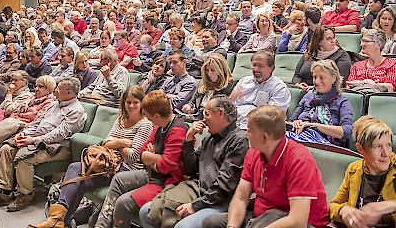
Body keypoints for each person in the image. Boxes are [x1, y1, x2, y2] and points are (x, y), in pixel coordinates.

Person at [30, 86, 153, 228]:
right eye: (128, 102)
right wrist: (121, 142)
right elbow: (106, 142)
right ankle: (60, 219)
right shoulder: (121, 119)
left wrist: (115, 143)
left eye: (135, 102)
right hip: (107, 161)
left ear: (142, 103)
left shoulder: (145, 125)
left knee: (79, 183)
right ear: (124, 103)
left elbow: (132, 156)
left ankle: (60, 220)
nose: (131, 106)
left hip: (127, 169)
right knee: (74, 167)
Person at [201, 105, 330, 228]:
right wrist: (232, 226)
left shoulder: (300, 159)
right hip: (261, 217)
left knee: (273, 214)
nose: (246, 134)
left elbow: (297, 221)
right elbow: (241, 197)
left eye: (250, 131)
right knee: (211, 222)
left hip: (295, 221)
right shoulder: (253, 152)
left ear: (264, 137)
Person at [139, 95, 248, 228]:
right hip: (197, 189)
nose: (204, 119)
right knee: (145, 211)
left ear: (220, 114)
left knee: (183, 227)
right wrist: (189, 139)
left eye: (206, 114)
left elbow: (224, 186)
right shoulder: (209, 138)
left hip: (219, 200)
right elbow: (190, 169)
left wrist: (195, 206)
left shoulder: (239, 141)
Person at [0, 77, 87, 211]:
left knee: (24, 158)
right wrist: (24, 134)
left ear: (69, 92)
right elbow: (37, 122)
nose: (56, 91)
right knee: (6, 148)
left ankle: (26, 194)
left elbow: (59, 135)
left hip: (57, 147)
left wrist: (34, 140)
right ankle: (4, 191)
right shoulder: (54, 104)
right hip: (36, 138)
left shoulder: (76, 111)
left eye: (59, 89)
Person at [93, 90, 188, 228]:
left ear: (156, 116)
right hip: (152, 174)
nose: (147, 119)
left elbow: (166, 166)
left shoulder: (177, 129)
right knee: (119, 179)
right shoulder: (158, 126)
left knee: (122, 203)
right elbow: (142, 154)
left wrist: (152, 161)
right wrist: (155, 158)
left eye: (148, 117)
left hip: (167, 182)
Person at [288, 60, 353, 145]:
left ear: (333, 78)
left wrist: (314, 126)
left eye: (321, 77)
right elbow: (290, 122)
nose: (317, 82)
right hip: (298, 137)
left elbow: (347, 132)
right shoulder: (308, 96)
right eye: (315, 77)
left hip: (323, 145)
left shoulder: (342, 101)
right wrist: (296, 123)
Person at [231, 51, 291, 130]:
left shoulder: (279, 88)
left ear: (271, 68)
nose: (256, 69)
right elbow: (230, 106)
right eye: (254, 65)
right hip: (233, 125)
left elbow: (273, 118)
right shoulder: (243, 81)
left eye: (260, 66)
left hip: (257, 129)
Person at [292, 26, 351, 91]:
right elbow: (296, 75)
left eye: (333, 38)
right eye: (328, 38)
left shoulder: (342, 55)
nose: (333, 41)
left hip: (326, 93)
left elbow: (339, 81)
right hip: (303, 91)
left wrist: (313, 88)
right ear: (319, 42)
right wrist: (298, 84)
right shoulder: (309, 54)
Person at [180, 53, 234, 121]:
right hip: (195, 116)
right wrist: (189, 106)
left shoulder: (229, 86)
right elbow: (192, 102)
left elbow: (217, 111)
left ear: (222, 70)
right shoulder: (202, 83)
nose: (209, 74)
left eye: (213, 70)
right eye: (207, 70)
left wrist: (193, 112)